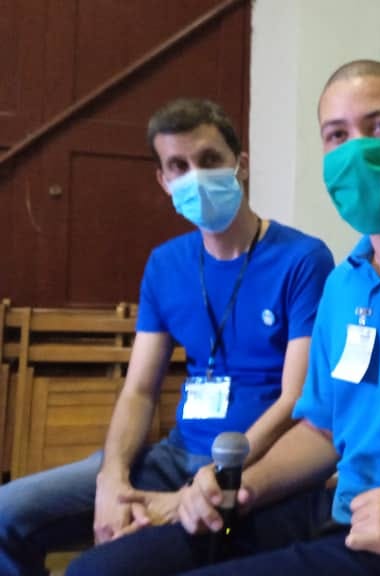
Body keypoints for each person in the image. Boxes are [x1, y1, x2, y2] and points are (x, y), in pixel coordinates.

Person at [66, 60, 380, 576]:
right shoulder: (344, 282)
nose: (357, 150)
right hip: (342, 517)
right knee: (100, 571)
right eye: (338, 135)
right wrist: (236, 488)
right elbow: (323, 429)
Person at [0, 98, 335, 576]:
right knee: (7, 513)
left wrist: (203, 486)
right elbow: (139, 390)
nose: (195, 176)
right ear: (163, 180)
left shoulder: (302, 259)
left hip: (252, 468)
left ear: (240, 165)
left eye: (209, 160)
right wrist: (112, 480)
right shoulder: (164, 264)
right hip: (172, 456)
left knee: (103, 566)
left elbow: (294, 398)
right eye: (178, 166)